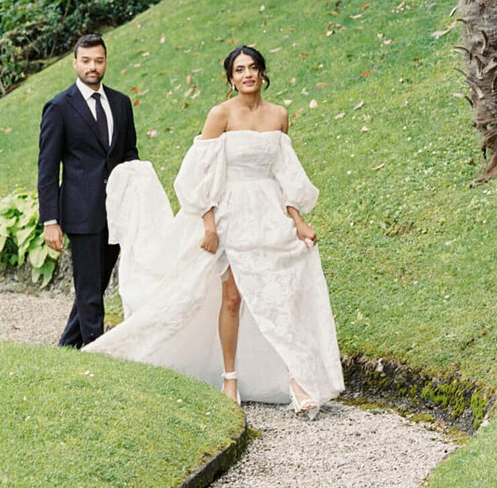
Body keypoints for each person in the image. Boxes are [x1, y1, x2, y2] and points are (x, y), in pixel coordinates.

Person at [85, 45, 343, 415]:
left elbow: (284, 173)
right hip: (231, 212)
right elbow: (198, 174)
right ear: (230, 78)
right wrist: (208, 224)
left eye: (253, 68)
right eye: (239, 70)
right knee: (233, 297)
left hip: (269, 214)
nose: (247, 75)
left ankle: (297, 379)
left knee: (281, 295)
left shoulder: (279, 115)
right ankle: (230, 377)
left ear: (262, 73)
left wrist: (299, 221)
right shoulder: (220, 115)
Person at [38, 33, 139, 348]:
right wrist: (50, 220)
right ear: (75, 63)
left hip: (116, 212)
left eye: (98, 60)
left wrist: (137, 197)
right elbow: (47, 167)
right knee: (89, 286)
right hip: (81, 212)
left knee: (95, 284)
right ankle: (98, 349)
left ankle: (67, 346)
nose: (92, 67)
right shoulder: (59, 107)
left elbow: (130, 154)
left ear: (105, 61)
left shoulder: (121, 103)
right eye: (86, 61)